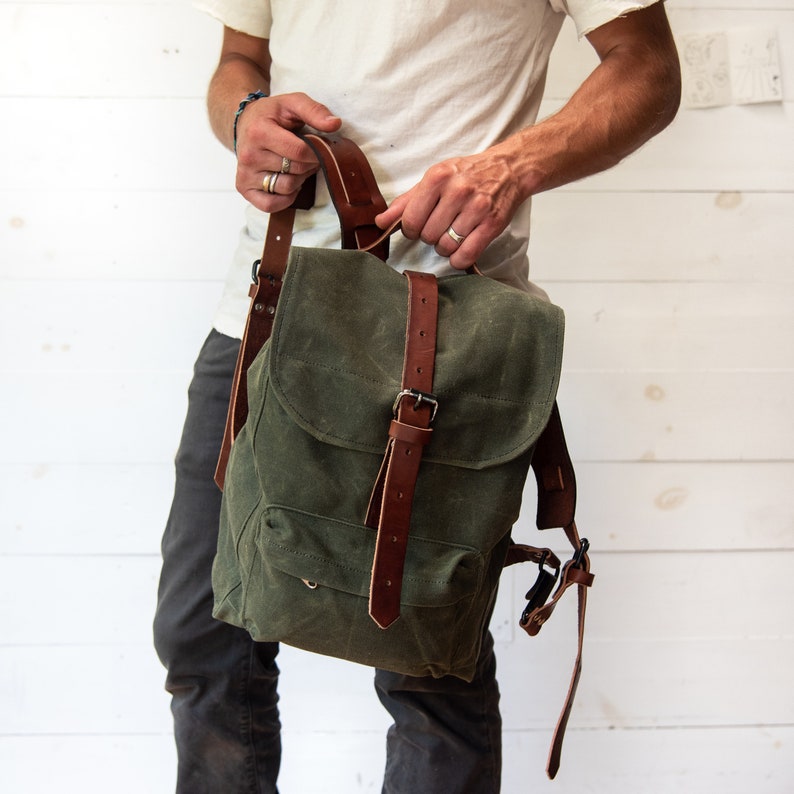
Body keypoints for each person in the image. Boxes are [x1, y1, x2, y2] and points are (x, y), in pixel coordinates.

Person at [153, 1, 680, 792]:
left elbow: (648, 67)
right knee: (203, 636)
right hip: (264, 314)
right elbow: (240, 59)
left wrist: (512, 165)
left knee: (427, 664)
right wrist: (245, 116)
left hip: (443, 340)